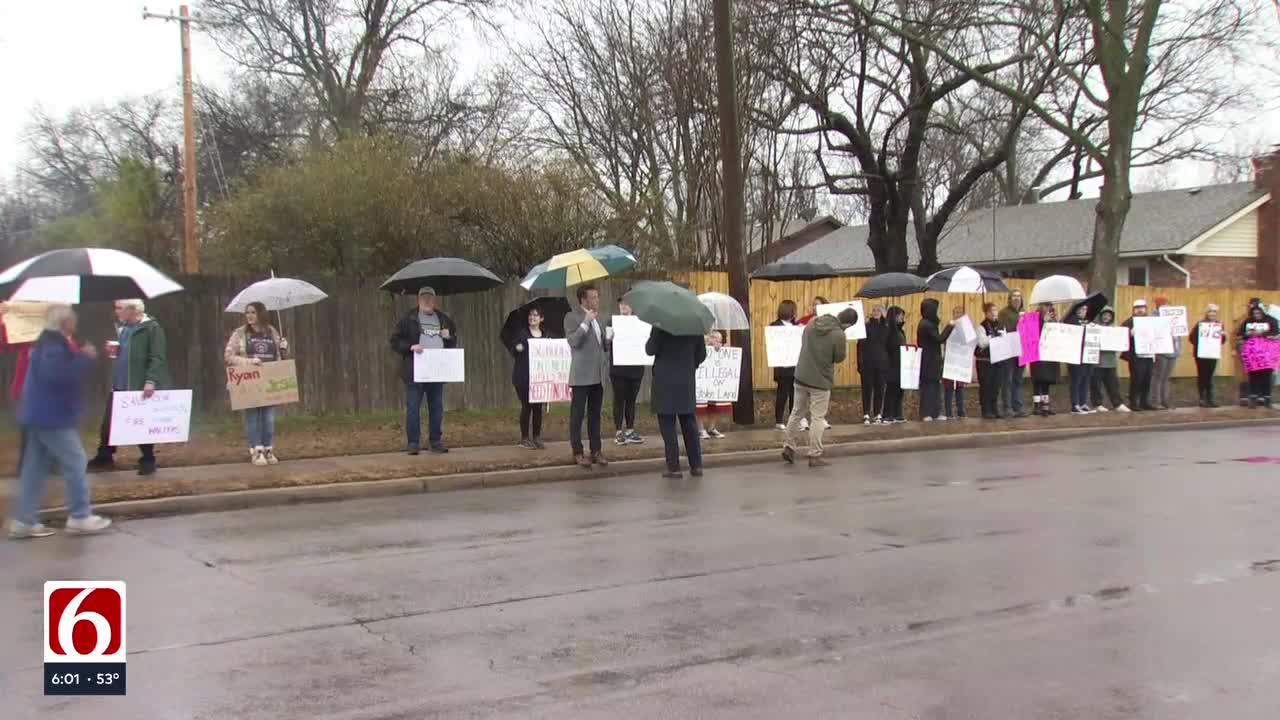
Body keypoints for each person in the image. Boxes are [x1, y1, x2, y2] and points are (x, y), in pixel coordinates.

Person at [9, 306, 111, 538]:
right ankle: (80, 516)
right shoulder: (53, 345)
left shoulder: (47, 342)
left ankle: (24, 520)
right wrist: (84, 357)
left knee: (34, 469)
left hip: (38, 413)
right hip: (52, 416)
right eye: (72, 320)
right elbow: (56, 375)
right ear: (65, 322)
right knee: (75, 460)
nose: (75, 324)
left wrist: (77, 355)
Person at [86, 298, 170, 475]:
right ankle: (105, 456)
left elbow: (157, 357)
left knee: (140, 423)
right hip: (120, 383)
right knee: (109, 423)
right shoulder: (124, 328)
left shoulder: (152, 328)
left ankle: (148, 459)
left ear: (133, 310)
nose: (116, 311)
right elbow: (127, 354)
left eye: (119, 308)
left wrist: (151, 380)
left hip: (138, 384)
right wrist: (115, 352)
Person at [783, 307, 858, 468]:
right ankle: (814, 454)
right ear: (847, 324)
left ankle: (788, 447)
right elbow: (839, 358)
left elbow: (804, 341)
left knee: (796, 412)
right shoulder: (839, 334)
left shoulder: (812, 322)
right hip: (821, 380)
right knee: (817, 417)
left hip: (801, 375)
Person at [390, 286, 458, 455]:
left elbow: (453, 340)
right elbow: (394, 341)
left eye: (430, 297)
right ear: (418, 300)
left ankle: (435, 441)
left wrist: (448, 336)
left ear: (434, 300)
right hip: (415, 370)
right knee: (413, 407)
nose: (427, 300)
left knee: (437, 407)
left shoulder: (443, 319)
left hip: (436, 370)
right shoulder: (409, 319)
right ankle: (413, 443)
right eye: (424, 297)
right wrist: (410, 346)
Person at [224, 301, 289, 466]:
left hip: (269, 379)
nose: (250, 316)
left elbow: (281, 357)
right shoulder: (239, 334)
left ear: (261, 313)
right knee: (252, 416)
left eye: (253, 312)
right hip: (249, 378)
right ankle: (256, 450)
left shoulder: (272, 331)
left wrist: (284, 348)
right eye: (247, 313)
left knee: (268, 417)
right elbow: (229, 357)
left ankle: (268, 449)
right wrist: (249, 361)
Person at [646, 327, 706, 479]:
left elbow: (650, 349)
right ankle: (696, 465)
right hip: (686, 379)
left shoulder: (661, 324)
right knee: (689, 424)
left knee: (667, 425)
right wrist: (690, 366)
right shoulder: (694, 324)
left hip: (664, 379)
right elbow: (701, 354)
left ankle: (674, 467)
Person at [565, 284, 609, 467]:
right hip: (582, 375)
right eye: (594, 297)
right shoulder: (571, 316)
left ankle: (596, 450)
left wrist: (609, 341)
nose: (597, 300)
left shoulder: (601, 318)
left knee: (595, 414)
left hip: (598, 374)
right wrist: (585, 322)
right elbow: (573, 341)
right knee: (577, 414)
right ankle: (577, 451)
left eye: (597, 297)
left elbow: (601, 346)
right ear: (584, 299)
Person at [505, 306, 547, 449]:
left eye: (536, 315)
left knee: (538, 407)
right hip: (523, 377)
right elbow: (513, 348)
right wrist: (517, 348)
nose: (532, 317)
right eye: (530, 315)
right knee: (527, 406)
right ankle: (524, 438)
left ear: (541, 318)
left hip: (539, 377)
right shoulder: (522, 334)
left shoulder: (545, 335)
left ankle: (536, 437)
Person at [607, 300, 645, 446]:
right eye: (621, 303)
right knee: (619, 399)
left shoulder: (640, 323)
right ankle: (618, 432)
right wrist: (611, 338)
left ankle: (629, 430)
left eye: (627, 303)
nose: (623, 305)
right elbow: (606, 342)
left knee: (631, 400)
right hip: (618, 368)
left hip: (635, 368)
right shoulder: (612, 321)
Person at [1237, 300, 1280, 408]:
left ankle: (1267, 399)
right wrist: (1248, 334)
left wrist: (1263, 333)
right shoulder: (1248, 321)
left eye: (1259, 313)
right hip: (1253, 355)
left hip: (1267, 354)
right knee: (1253, 376)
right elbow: (1240, 334)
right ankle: (1253, 398)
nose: (1256, 315)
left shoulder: (1271, 320)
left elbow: (1275, 333)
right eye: (1254, 313)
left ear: (1263, 312)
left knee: (1267, 376)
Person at [1089, 307, 1129, 412]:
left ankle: (1118, 404)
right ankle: (1097, 404)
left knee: (1113, 385)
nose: (1106, 317)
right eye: (1104, 314)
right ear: (1101, 315)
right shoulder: (1095, 328)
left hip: (1110, 362)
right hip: (1097, 362)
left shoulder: (1114, 329)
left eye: (1109, 315)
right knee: (1096, 385)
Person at [1122, 299, 1158, 411]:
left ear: (1146, 309)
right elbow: (1121, 334)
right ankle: (1133, 402)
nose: (1140, 310)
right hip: (1136, 356)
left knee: (1147, 379)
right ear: (1134, 310)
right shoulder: (1129, 322)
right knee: (1137, 379)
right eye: (1137, 308)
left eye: (1142, 308)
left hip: (1148, 355)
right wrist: (1130, 333)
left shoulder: (1151, 321)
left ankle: (1144, 402)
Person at [997, 289, 1027, 417]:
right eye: (1014, 296)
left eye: (1018, 296)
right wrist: (1019, 322)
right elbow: (1003, 330)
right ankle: (1007, 407)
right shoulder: (1004, 313)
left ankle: (1018, 406)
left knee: (1018, 380)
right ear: (1009, 299)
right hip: (1009, 351)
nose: (1016, 298)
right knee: (1007, 380)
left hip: (1022, 351)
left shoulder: (1024, 313)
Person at [770, 300, 799, 430]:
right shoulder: (774, 326)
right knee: (782, 393)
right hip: (782, 366)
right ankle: (779, 420)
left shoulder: (796, 326)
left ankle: (794, 420)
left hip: (795, 365)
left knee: (795, 394)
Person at [697, 330, 732, 439]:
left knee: (716, 406)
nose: (718, 341)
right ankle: (700, 429)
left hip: (715, 382)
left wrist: (721, 349)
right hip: (702, 381)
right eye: (715, 339)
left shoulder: (720, 350)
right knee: (700, 407)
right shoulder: (701, 343)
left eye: (719, 340)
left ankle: (712, 428)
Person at [858, 304, 889, 424]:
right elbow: (860, 345)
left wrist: (886, 321)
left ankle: (877, 413)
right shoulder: (866, 326)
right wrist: (860, 362)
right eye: (874, 310)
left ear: (882, 313)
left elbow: (888, 344)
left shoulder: (886, 327)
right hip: (868, 362)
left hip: (881, 363)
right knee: (867, 388)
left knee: (880, 388)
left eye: (878, 311)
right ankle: (866, 413)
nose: (876, 312)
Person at [916, 298, 946, 421]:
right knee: (928, 386)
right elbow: (939, 339)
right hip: (928, 359)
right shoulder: (925, 324)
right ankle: (926, 412)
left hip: (934, 359)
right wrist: (950, 326)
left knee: (935, 386)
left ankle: (935, 411)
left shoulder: (931, 323)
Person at [1150, 296, 1180, 410]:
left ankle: (1165, 401)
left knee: (1166, 377)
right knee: (1158, 377)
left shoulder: (1174, 317)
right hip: (1161, 351)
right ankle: (1155, 401)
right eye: (1164, 304)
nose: (1166, 306)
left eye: (1167, 304)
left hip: (1173, 350)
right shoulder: (1154, 317)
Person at [1063, 302, 1094, 414]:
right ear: (1076, 310)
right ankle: (1075, 404)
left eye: (1085, 309)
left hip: (1088, 355)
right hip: (1075, 355)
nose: (1083, 311)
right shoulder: (1071, 320)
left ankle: (1083, 402)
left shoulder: (1089, 321)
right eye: (1081, 309)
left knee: (1085, 379)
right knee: (1076, 380)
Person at [1188, 304, 1221, 408]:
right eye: (1210, 311)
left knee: (1210, 376)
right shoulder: (1200, 324)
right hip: (1201, 354)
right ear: (1207, 313)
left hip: (1212, 353)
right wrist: (1202, 344)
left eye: (1214, 312)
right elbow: (1191, 338)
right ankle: (1202, 399)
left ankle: (1211, 399)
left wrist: (1223, 335)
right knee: (1202, 376)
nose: (1212, 314)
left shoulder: (1218, 325)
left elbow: (1221, 341)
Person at [1031, 303, 1061, 416]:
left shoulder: (1053, 317)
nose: (1047, 308)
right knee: (1038, 380)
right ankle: (1037, 406)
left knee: (1047, 381)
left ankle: (1045, 406)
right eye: (1045, 305)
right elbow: (1034, 334)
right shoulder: (1035, 317)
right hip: (1037, 353)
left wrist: (1056, 322)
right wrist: (1044, 322)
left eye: (1049, 306)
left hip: (1049, 354)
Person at [975, 302, 1004, 420]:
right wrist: (993, 336)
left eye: (995, 310)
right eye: (990, 311)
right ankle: (986, 409)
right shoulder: (981, 327)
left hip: (997, 360)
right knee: (986, 385)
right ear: (986, 313)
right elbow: (981, 343)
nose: (993, 313)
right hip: (985, 361)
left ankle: (994, 407)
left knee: (995, 386)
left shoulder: (1001, 325)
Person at [941, 305, 968, 420]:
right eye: (955, 313)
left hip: (961, 360)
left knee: (960, 387)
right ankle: (948, 412)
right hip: (950, 360)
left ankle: (961, 411)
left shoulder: (967, 328)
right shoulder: (949, 326)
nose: (957, 315)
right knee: (949, 388)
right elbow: (943, 339)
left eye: (960, 313)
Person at [883, 306, 908, 423]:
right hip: (892, 363)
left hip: (901, 362)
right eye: (899, 315)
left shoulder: (900, 330)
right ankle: (888, 414)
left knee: (899, 389)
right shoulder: (889, 330)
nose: (901, 318)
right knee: (891, 389)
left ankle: (898, 413)